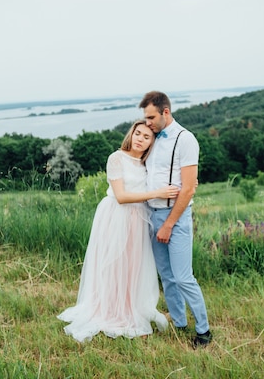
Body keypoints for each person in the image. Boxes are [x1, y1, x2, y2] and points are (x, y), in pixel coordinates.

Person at [57, 120, 179, 343]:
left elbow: (169, 176)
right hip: (116, 216)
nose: (140, 139)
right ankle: (111, 310)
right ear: (131, 134)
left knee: (134, 266)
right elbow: (121, 196)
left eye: (146, 137)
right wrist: (156, 193)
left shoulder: (147, 163)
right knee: (114, 264)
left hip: (138, 219)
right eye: (138, 134)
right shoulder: (116, 158)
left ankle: (131, 308)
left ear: (152, 142)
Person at [138, 90, 213, 348]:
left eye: (150, 117)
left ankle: (204, 331)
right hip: (152, 214)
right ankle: (179, 324)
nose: (147, 123)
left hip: (175, 217)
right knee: (167, 276)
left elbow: (189, 188)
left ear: (165, 112)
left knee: (183, 277)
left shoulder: (185, 139)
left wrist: (169, 223)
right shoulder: (153, 138)